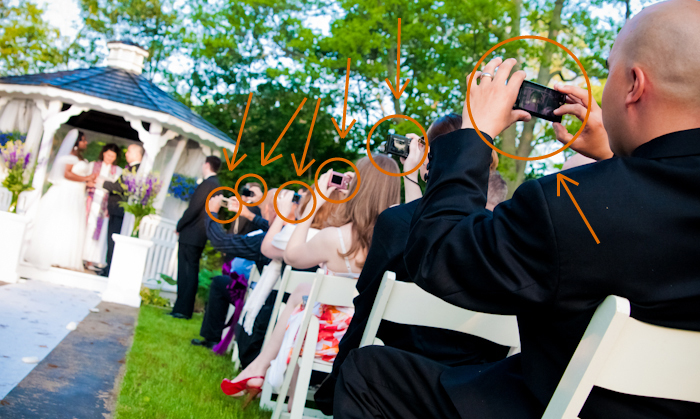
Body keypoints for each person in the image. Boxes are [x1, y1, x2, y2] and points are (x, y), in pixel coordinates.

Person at [334, 1, 700, 418]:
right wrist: (614, 156)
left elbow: (440, 254)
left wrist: (474, 134)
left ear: (633, 85)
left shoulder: (573, 206)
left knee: (368, 375)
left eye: (610, 70)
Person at [314, 114, 510, 414]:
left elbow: (367, 306)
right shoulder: (503, 230)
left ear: (429, 159)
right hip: (477, 391)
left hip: (392, 380)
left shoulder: (397, 222)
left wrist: (339, 374)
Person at [220, 155, 401, 408]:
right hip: (370, 340)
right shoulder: (400, 240)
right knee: (304, 295)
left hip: (327, 339)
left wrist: (314, 203)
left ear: (357, 189)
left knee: (305, 313)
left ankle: (262, 372)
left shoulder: (336, 239)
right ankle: (261, 371)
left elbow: (292, 256)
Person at [191, 190, 285, 349]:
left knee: (219, 282)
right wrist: (248, 214)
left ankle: (212, 338)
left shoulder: (265, 242)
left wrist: (212, 213)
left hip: (262, 301)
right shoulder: (295, 235)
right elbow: (273, 227)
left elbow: (221, 242)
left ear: (270, 210)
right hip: (286, 304)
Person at [25, 130, 96, 271]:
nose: (86, 143)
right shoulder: (69, 157)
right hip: (67, 192)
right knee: (61, 221)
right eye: (83, 140)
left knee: (71, 224)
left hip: (76, 193)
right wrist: (86, 178)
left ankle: (63, 257)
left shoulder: (79, 158)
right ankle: (52, 255)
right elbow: (67, 174)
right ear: (77, 142)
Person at [171, 155, 222, 319]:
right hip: (200, 234)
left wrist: (180, 225)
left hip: (192, 233)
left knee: (186, 271)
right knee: (190, 270)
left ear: (206, 165)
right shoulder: (217, 185)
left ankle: (182, 309)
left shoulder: (207, 184)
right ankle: (182, 308)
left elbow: (193, 209)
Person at [100, 143, 143, 276]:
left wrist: (103, 183)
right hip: (116, 209)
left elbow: (122, 187)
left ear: (137, 154)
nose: (126, 154)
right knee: (111, 238)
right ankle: (108, 267)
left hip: (120, 209)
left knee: (114, 239)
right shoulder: (130, 168)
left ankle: (110, 269)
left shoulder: (136, 169)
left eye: (129, 151)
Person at [83, 143, 122, 271]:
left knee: (99, 230)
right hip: (91, 199)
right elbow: (85, 180)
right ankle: (82, 256)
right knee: (87, 227)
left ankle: (93, 258)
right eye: (108, 155)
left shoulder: (118, 170)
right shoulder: (93, 165)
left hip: (105, 203)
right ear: (104, 153)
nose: (110, 158)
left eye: (113, 156)